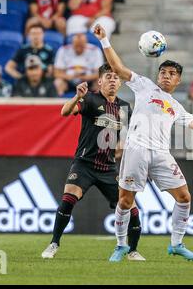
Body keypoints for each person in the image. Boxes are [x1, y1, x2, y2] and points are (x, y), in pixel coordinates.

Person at [93, 24, 193, 262]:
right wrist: (104, 40)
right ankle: (121, 245)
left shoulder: (176, 107)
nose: (166, 76)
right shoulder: (144, 86)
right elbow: (117, 68)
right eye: (163, 72)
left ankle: (176, 243)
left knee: (184, 197)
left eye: (172, 74)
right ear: (158, 76)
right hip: (137, 149)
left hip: (161, 154)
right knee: (125, 200)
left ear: (178, 80)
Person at [41, 64, 145, 261]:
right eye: (108, 77)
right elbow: (65, 112)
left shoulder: (124, 107)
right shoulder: (89, 99)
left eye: (116, 77)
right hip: (84, 163)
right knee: (68, 198)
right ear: (100, 81)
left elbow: (128, 135)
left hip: (108, 167)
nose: (113, 80)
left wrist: (125, 147)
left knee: (130, 207)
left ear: (121, 82)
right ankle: (54, 243)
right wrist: (77, 97)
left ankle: (132, 251)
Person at [54, 32, 104, 96]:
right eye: (77, 45)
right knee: (58, 82)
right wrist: (70, 77)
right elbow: (56, 73)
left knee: (100, 82)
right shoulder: (63, 50)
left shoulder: (95, 50)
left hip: (88, 81)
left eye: (81, 46)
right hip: (69, 80)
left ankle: (98, 102)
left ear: (86, 43)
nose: (79, 48)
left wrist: (86, 77)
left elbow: (99, 73)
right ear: (72, 43)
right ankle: (60, 103)